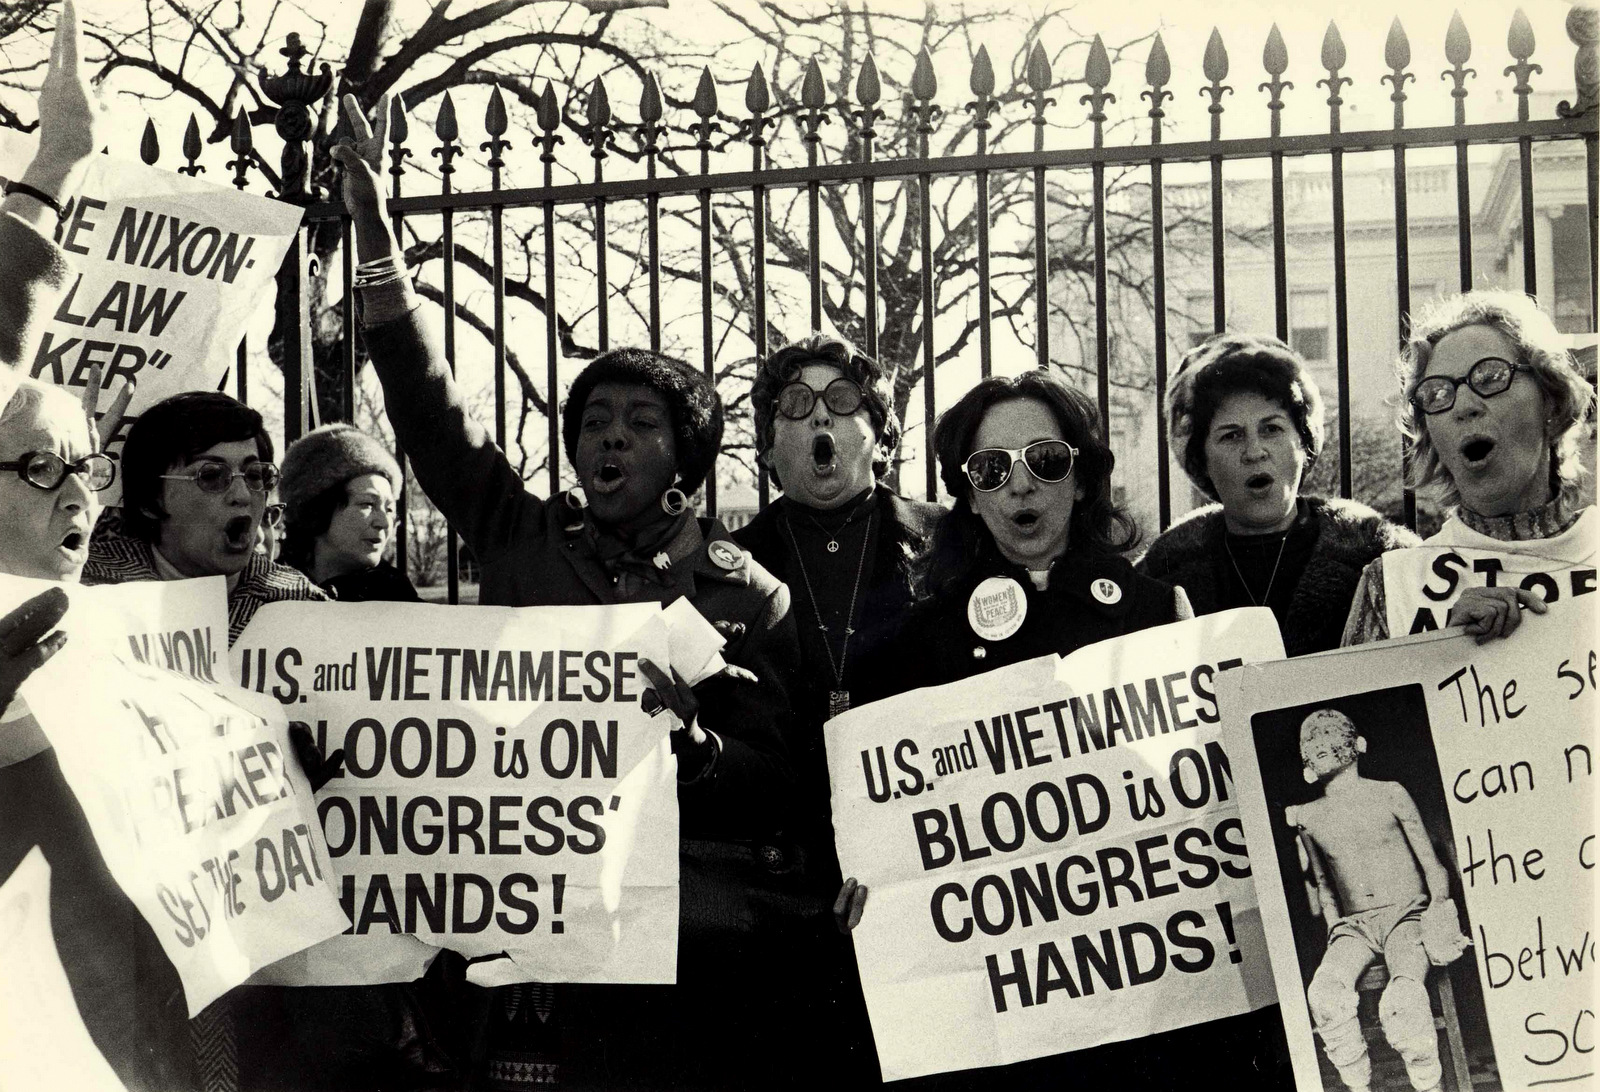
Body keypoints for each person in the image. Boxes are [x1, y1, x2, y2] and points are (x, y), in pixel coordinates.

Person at [333, 92, 800, 1091]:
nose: (609, 438)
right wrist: (377, 243)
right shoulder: (523, 536)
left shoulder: (743, 595)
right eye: (593, 422)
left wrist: (701, 749)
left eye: (637, 422)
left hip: (676, 954)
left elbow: (776, 772)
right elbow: (428, 412)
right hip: (526, 938)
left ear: (685, 455)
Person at [732, 333, 943, 1085]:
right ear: (768, 448)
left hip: (922, 882)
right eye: (794, 406)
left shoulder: (950, 546)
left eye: (842, 402)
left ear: (880, 438)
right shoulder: (731, 570)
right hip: (784, 898)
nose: (819, 419)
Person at [1138, 334, 1418, 655]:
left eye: (1272, 429)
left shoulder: (1382, 555)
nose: (1254, 452)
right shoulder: (1162, 574)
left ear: (1304, 442)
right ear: (1201, 459)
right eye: (1231, 435)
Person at [1342, 291, 1595, 645]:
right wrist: (1444, 651)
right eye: (1437, 394)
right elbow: (1353, 703)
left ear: (1551, 405)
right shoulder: (1389, 589)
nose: (1463, 406)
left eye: (1491, 378)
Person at [1287, 709, 1467, 1092]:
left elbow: (1433, 866)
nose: (1319, 742)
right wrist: (1335, 927)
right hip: (1354, 927)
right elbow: (1324, 884)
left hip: (1408, 915)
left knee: (1402, 1001)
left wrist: (1438, 907)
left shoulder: (1390, 793)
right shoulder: (1309, 817)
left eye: (1329, 734)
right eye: (1310, 738)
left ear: (1356, 745)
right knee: (1324, 996)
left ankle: (1430, 1087)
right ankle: (1359, 1087)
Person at [82, 390, 327, 640]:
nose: (242, 495)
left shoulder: (306, 607)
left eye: (254, 475)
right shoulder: (85, 591)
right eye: (211, 476)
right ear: (149, 499)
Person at [278, 422, 418, 601]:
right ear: (316, 511)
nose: (383, 523)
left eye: (389, 509)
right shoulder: (269, 592)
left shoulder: (395, 598)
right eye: (367, 504)